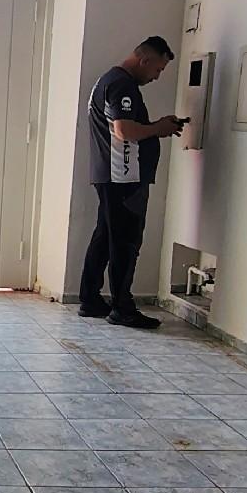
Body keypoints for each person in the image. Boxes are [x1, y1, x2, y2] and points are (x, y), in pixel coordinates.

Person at [79, 36, 185, 330]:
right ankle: (122, 308)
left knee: (105, 236)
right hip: (124, 177)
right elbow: (123, 130)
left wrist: (156, 126)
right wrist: (158, 128)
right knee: (125, 242)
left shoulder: (108, 81)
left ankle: (90, 298)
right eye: (158, 69)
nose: (157, 76)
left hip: (111, 174)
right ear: (144, 59)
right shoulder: (122, 84)